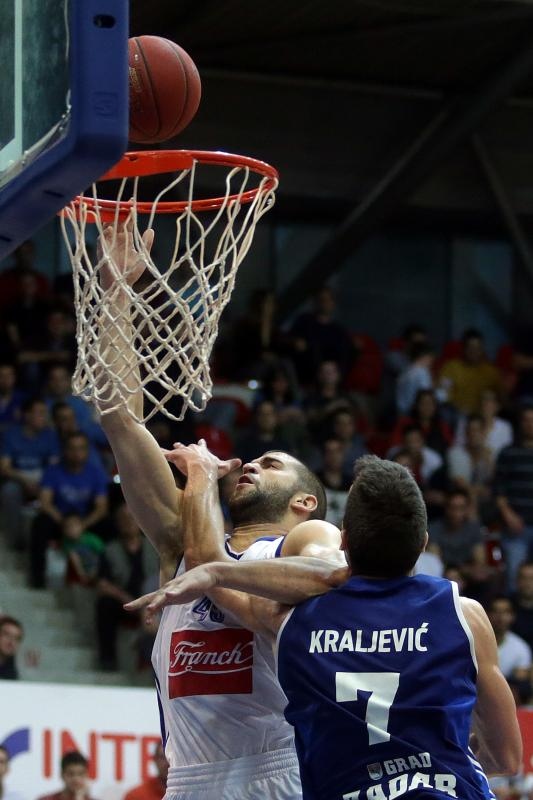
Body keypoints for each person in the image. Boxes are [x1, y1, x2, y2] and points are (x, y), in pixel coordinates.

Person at [93, 220, 342, 799]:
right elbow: (120, 422)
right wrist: (114, 294)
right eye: (253, 460)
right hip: (190, 781)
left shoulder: (305, 539)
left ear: (304, 501)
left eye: (272, 463)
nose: (252, 465)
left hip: (282, 771)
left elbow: (328, 573)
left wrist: (203, 482)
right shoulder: (183, 541)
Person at [131, 455, 522, 800]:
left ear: (345, 542)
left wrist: (202, 480)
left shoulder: (293, 621)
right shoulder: (463, 615)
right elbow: (505, 757)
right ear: (422, 544)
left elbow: (208, 562)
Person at [487, 596, 532, 704]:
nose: (500, 617)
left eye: (505, 612)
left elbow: (520, 685)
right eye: (495, 611)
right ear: (487, 615)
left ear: (512, 616)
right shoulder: (473, 642)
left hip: (506, 702)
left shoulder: (521, 648)